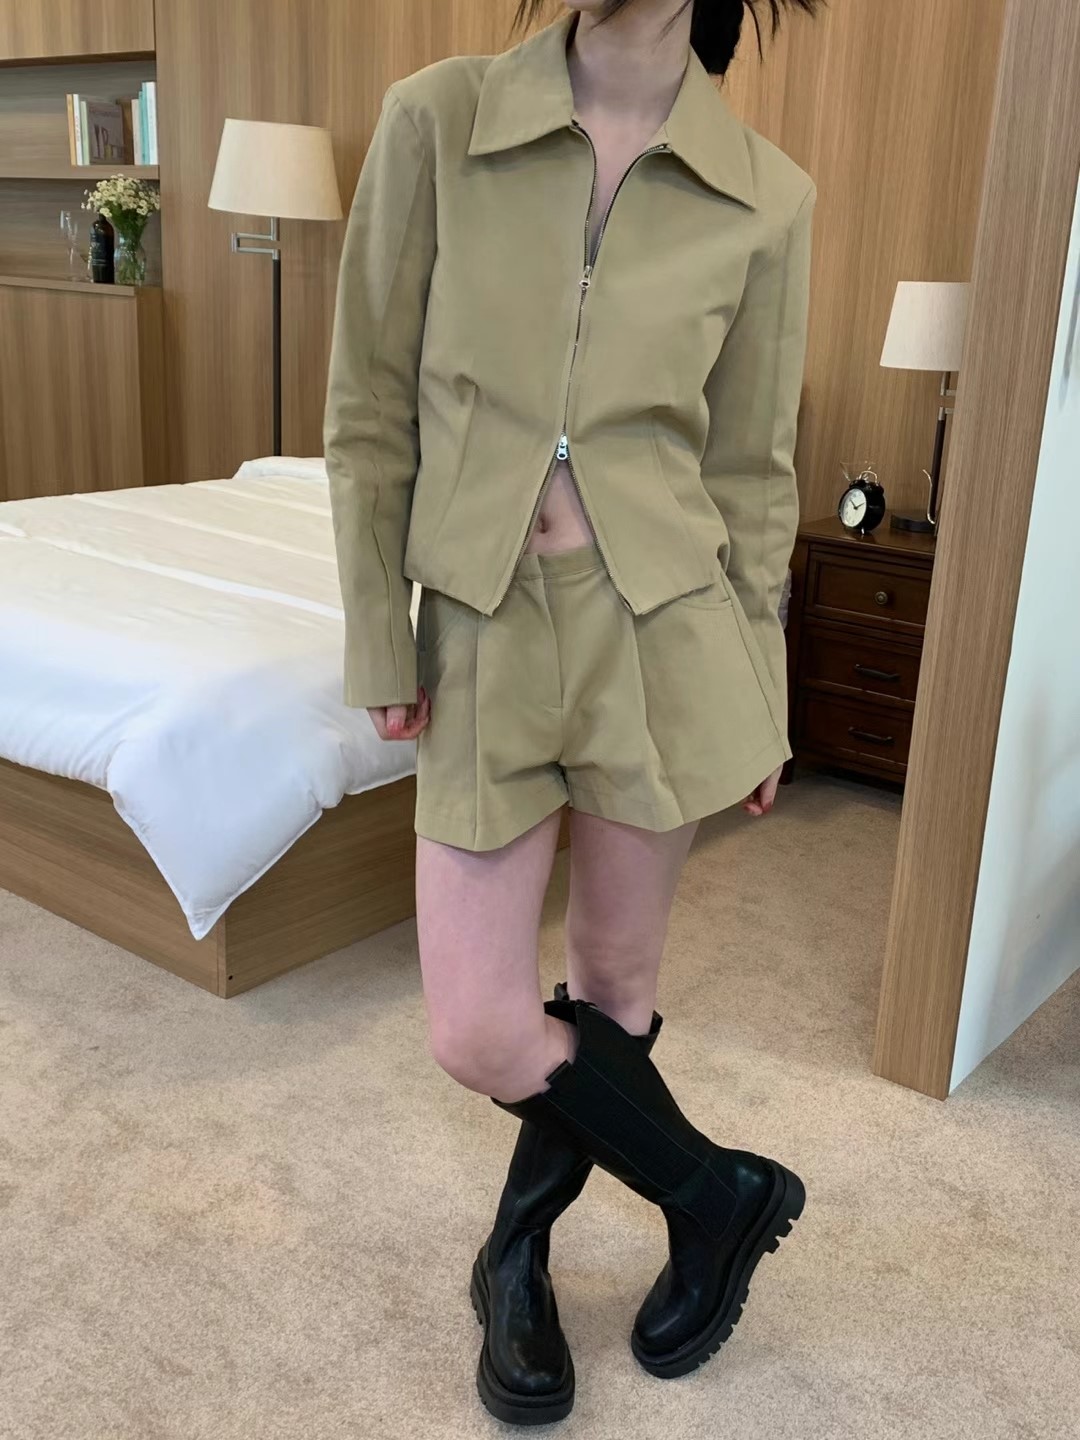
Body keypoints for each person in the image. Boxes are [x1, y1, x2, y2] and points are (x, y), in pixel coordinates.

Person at [325, 0, 820, 1424]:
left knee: (615, 985)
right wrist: (379, 627)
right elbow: (368, 408)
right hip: (483, 615)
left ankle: (517, 1261)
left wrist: (764, 694)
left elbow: (753, 475)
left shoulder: (765, 194)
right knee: (478, 1026)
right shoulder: (439, 120)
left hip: (664, 631)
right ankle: (715, 1193)